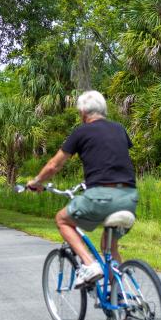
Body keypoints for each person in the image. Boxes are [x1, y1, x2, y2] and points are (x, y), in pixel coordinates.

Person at [26, 90, 138, 288]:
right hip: (129, 198)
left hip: (100, 197)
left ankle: (89, 264)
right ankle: (121, 296)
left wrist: (37, 182)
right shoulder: (119, 129)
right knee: (109, 246)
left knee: (62, 219)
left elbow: (54, 165)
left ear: (84, 113)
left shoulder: (82, 131)